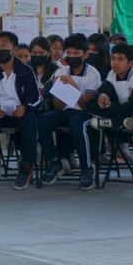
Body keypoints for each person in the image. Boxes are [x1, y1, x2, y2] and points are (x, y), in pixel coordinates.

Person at [0, 32, 41, 190]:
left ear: (14, 49)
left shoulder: (26, 71)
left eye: (4, 46)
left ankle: (26, 166)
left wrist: (25, 107)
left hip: (20, 113)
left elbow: (36, 98)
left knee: (30, 122)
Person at [38, 33, 102, 190]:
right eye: (70, 53)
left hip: (85, 113)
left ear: (85, 55)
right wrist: (58, 89)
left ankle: (86, 168)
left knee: (77, 125)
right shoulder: (61, 71)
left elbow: (85, 104)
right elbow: (58, 106)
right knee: (43, 120)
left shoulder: (93, 74)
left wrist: (73, 85)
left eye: (76, 53)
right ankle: (54, 162)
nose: (72, 56)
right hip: (65, 110)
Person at [88, 43, 133, 131]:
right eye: (113, 58)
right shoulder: (112, 74)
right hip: (119, 108)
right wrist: (103, 96)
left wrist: (112, 106)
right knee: (91, 103)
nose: (115, 62)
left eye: (120, 59)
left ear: (131, 63)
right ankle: (127, 122)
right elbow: (103, 90)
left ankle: (118, 122)